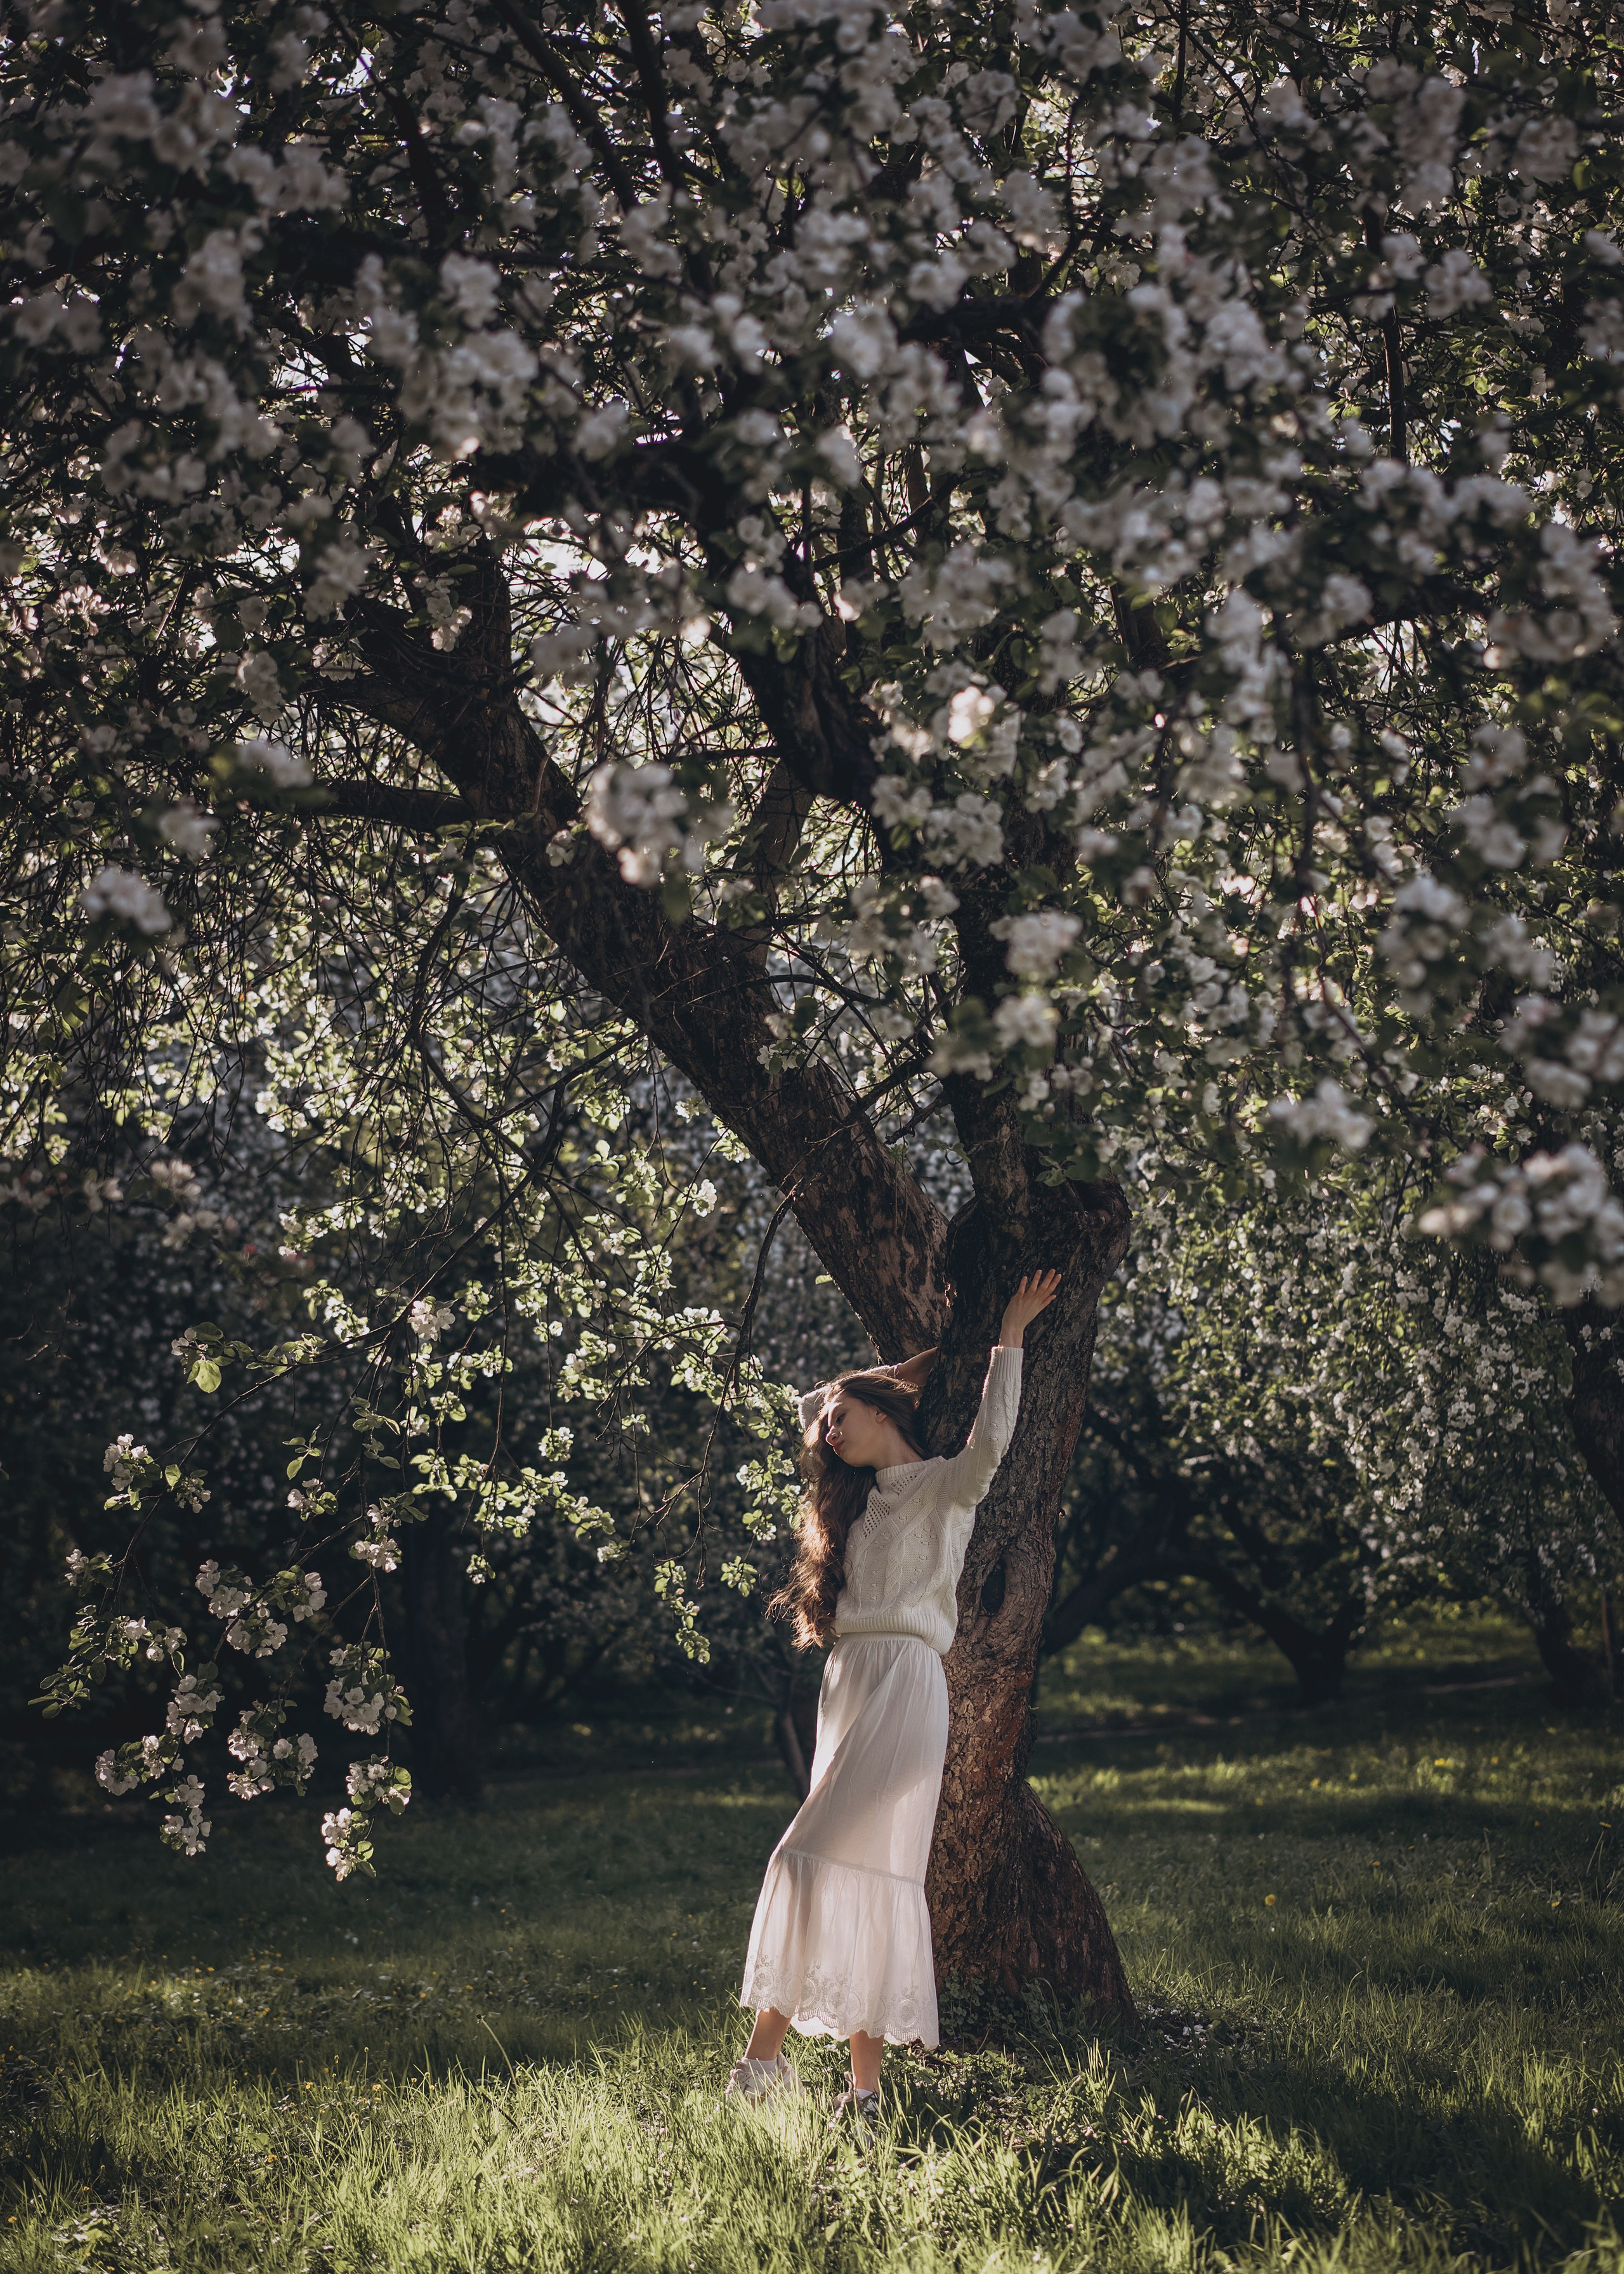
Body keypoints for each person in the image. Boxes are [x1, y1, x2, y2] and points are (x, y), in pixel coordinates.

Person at [725, 1271, 1064, 2125]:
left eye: (846, 1417)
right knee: (865, 1870)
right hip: (849, 1682)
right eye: (828, 1426)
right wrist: (876, 1382)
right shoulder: (858, 1504)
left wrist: (1007, 1334)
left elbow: (995, 1438)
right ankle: (865, 2094)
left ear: (884, 1413)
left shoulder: (946, 1486)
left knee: (813, 1857)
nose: (828, 1432)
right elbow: (808, 1408)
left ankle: (759, 2070)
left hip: (908, 1681)